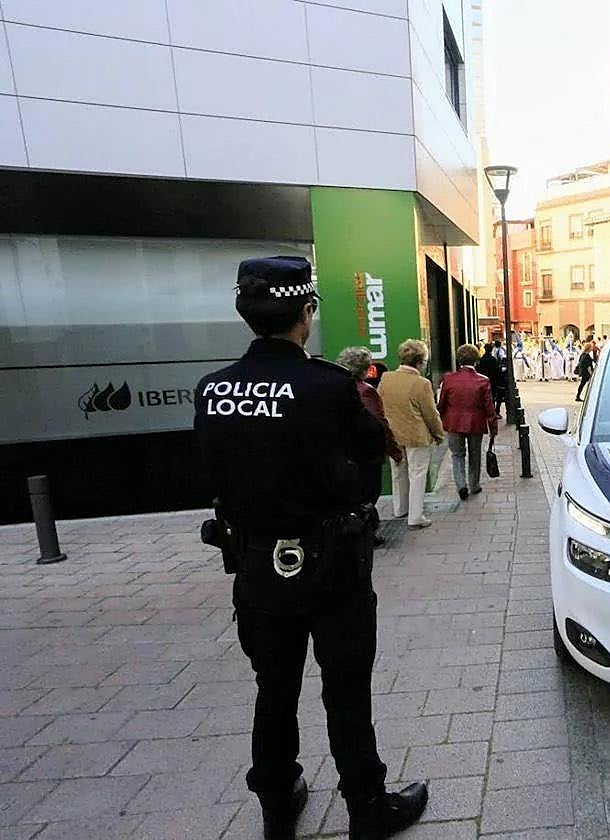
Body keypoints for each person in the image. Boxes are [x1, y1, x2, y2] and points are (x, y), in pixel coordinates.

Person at [193, 256, 428, 840]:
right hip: (331, 564)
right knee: (345, 686)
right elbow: (374, 445)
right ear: (305, 313)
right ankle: (366, 805)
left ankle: (277, 799)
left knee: (274, 686)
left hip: (253, 565)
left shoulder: (213, 389)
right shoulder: (327, 386)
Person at [336, 347, 403, 547]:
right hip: (366, 454)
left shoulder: (336, 387)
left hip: (342, 452)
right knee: (368, 494)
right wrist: (394, 450)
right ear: (365, 370)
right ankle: (366, 532)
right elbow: (379, 424)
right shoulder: (366, 391)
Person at [378, 340, 445, 529]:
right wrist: (439, 434)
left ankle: (400, 508)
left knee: (398, 472)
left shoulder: (386, 379)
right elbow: (431, 414)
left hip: (393, 434)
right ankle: (416, 516)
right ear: (419, 362)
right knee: (417, 474)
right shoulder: (421, 384)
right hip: (416, 435)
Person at [438, 344, 498, 501]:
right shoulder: (483, 381)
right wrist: (493, 426)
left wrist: (442, 418)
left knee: (457, 454)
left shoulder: (448, 379)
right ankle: (474, 485)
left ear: (459, 360)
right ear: (476, 360)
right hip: (475, 423)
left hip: (453, 423)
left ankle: (461, 485)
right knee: (474, 454)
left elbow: (442, 403)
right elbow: (489, 407)